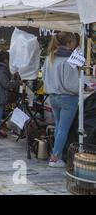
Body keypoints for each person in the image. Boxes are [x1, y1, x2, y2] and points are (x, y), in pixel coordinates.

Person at [43, 32, 79, 168]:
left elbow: (45, 79)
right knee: (62, 128)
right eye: (74, 41)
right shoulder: (68, 60)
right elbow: (72, 85)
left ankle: (54, 155)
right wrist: (81, 86)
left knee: (59, 127)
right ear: (69, 43)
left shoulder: (50, 57)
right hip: (68, 97)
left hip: (53, 96)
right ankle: (55, 157)